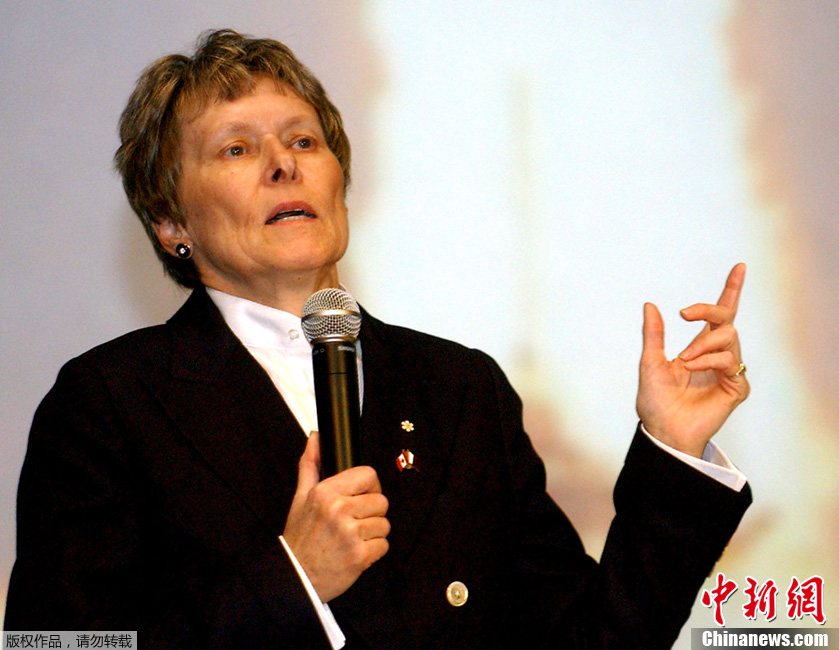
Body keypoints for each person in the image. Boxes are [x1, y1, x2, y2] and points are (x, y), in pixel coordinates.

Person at [5, 29, 752, 649]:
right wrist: (293, 580)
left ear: (338, 181)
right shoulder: (110, 401)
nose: (282, 163)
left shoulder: (459, 388)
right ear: (171, 223)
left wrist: (673, 454)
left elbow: (589, 641)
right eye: (235, 149)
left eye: (303, 140)